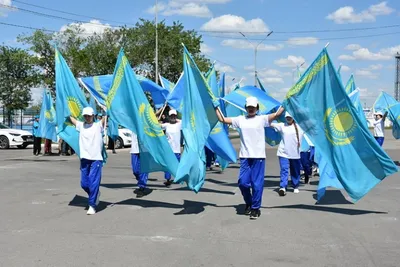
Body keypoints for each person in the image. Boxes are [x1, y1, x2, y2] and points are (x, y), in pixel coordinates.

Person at [215, 96, 284, 220]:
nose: (251, 109)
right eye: (249, 107)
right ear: (246, 108)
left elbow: (277, 114)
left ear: (257, 108)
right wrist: (215, 105)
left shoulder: (262, 119)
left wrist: (287, 101)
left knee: (257, 185)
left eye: (253, 107)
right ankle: (249, 202)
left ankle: (255, 208)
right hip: (245, 157)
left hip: (258, 157)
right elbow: (223, 119)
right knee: (243, 183)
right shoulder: (241, 120)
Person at [69, 107, 105, 215]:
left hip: (96, 159)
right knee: (84, 184)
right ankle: (95, 194)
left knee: (93, 182)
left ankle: (92, 205)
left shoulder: (98, 126)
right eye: (85, 116)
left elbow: (105, 117)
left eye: (89, 116)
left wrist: (106, 108)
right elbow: (71, 118)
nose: (87, 117)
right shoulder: (81, 125)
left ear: (93, 115)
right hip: (84, 158)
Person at [271, 112, 304, 196]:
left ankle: (295, 185)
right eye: (287, 117)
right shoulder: (282, 126)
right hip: (283, 152)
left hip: (295, 153)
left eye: (290, 117)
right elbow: (269, 123)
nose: (288, 118)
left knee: (295, 170)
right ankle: (283, 187)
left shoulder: (300, 127)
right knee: (284, 169)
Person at [161, 109, 182, 187]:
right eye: (171, 116)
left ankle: (178, 177)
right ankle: (168, 180)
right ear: (168, 117)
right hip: (168, 150)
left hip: (177, 150)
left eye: (174, 115)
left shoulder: (179, 125)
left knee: (177, 165)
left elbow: (186, 121)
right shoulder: (166, 125)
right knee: (168, 166)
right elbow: (157, 126)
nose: (173, 117)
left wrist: (176, 119)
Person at [130, 131, 150, 198]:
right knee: (135, 170)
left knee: (144, 169)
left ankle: (142, 187)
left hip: (144, 150)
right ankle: (140, 180)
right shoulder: (132, 124)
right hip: (134, 150)